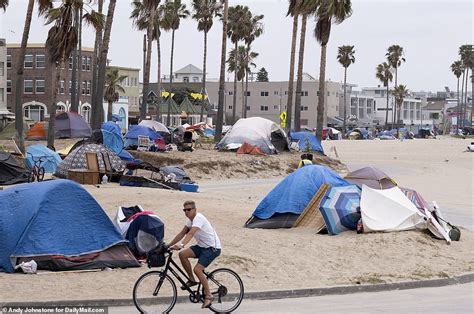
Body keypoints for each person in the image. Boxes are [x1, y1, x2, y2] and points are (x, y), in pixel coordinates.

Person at [169, 200, 221, 309]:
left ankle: (209, 295)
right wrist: (169, 245)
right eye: (184, 210)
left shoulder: (199, 218)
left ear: (195, 209)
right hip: (202, 247)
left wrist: (182, 244)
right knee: (182, 255)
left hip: (212, 248)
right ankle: (192, 280)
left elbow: (191, 233)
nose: (186, 212)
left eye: (189, 209)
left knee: (197, 269)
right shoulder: (189, 220)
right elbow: (182, 233)